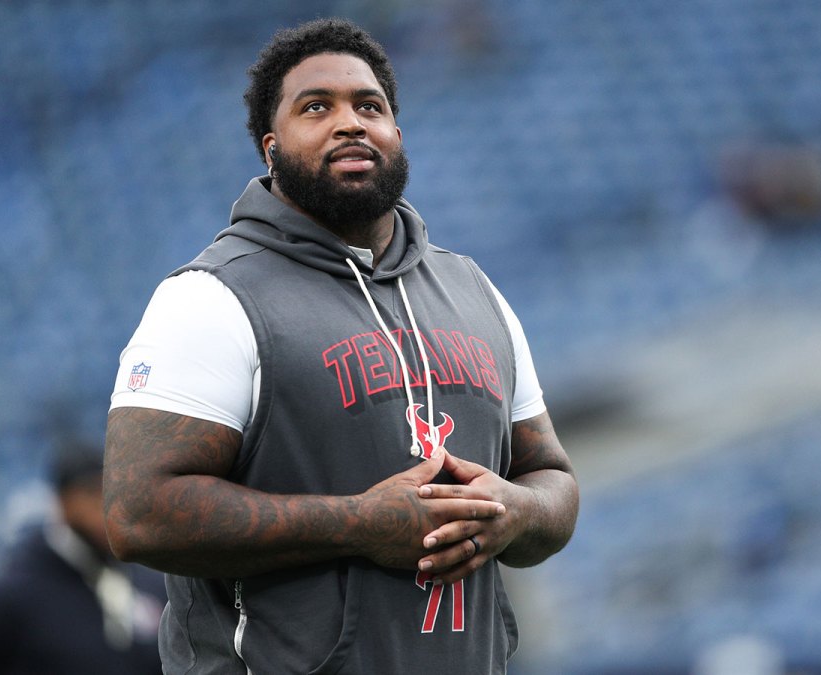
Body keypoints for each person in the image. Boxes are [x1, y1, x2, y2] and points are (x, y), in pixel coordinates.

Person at [103, 17, 579, 675]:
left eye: (370, 106)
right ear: (271, 148)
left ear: (397, 136)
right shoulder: (210, 298)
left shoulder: (474, 290)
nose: (350, 122)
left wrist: (512, 510)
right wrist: (358, 522)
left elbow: (554, 481)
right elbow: (138, 514)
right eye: (316, 107)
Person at [0, 441, 166, 674]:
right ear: (62, 501)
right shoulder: (10, 593)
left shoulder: (149, 583)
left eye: (116, 492)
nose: (107, 508)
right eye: (93, 493)